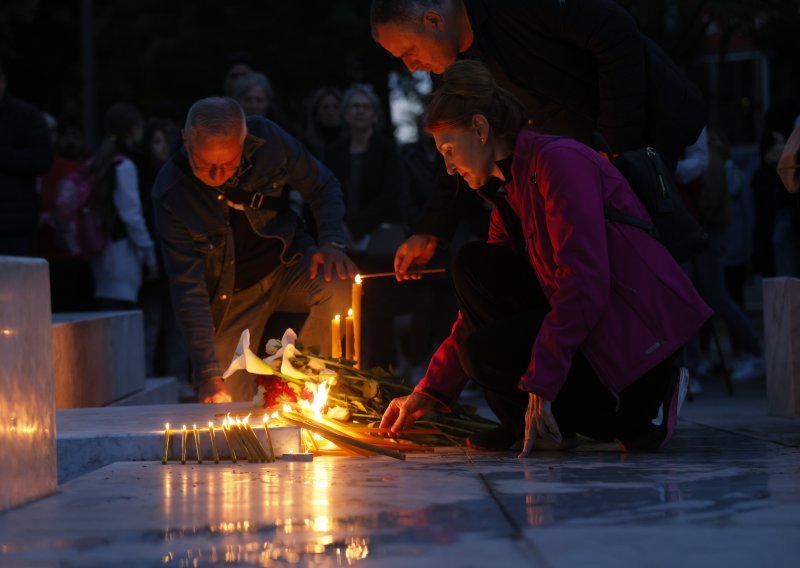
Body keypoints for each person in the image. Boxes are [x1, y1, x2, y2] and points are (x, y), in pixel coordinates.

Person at [380, 61, 712, 454]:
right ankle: (528, 423)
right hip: (592, 334)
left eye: (450, 150)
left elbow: (583, 283)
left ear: (481, 129)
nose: (449, 167)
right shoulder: (508, 192)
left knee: (481, 345)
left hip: (635, 351)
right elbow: (474, 312)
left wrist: (543, 380)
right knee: (473, 269)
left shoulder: (558, 163)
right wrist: (431, 391)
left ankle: (634, 405)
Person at [369, 0, 707, 280]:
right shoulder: (452, 75)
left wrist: (614, 149)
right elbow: (458, 149)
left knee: (644, 262)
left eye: (408, 52)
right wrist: (430, 229)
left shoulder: (515, 9)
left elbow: (615, 34)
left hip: (645, 128)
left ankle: (670, 356)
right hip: (584, 172)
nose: (412, 67)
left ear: (433, 20)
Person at [153, 97, 355, 404]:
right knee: (225, 406)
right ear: (186, 140)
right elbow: (187, 287)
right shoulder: (172, 192)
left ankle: (303, 384)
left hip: (288, 263)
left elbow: (322, 185)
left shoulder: (269, 141)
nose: (219, 175)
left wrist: (332, 243)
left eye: (229, 163)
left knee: (338, 284)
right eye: (207, 166)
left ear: (244, 139)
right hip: (231, 295)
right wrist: (208, 373)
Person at [325, 84, 410, 368]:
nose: (359, 112)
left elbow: (392, 193)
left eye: (365, 106)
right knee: (347, 308)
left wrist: (358, 226)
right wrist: (343, 226)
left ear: (375, 114)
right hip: (345, 240)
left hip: (376, 240)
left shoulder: (386, 149)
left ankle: (386, 373)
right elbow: (329, 191)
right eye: (354, 106)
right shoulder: (335, 151)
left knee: (380, 308)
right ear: (345, 113)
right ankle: (350, 372)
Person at [89, 103, 159, 312]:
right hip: (121, 256)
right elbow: (131, 215)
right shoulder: (125, 166)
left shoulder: (100, 160)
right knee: (120, 318)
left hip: (102, 250)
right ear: (135, 129)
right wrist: (150, 256)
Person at [0, 59, 54, 256]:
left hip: (14, 222)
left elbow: (43, 159)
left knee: (12, 281)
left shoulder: (26, 116)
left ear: (3, 81)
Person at [303, 87, 344, 161]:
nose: (331, 112)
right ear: (316, 114)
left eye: (336, 107)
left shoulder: (353, 144)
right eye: (325, 108)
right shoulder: (306, 147)